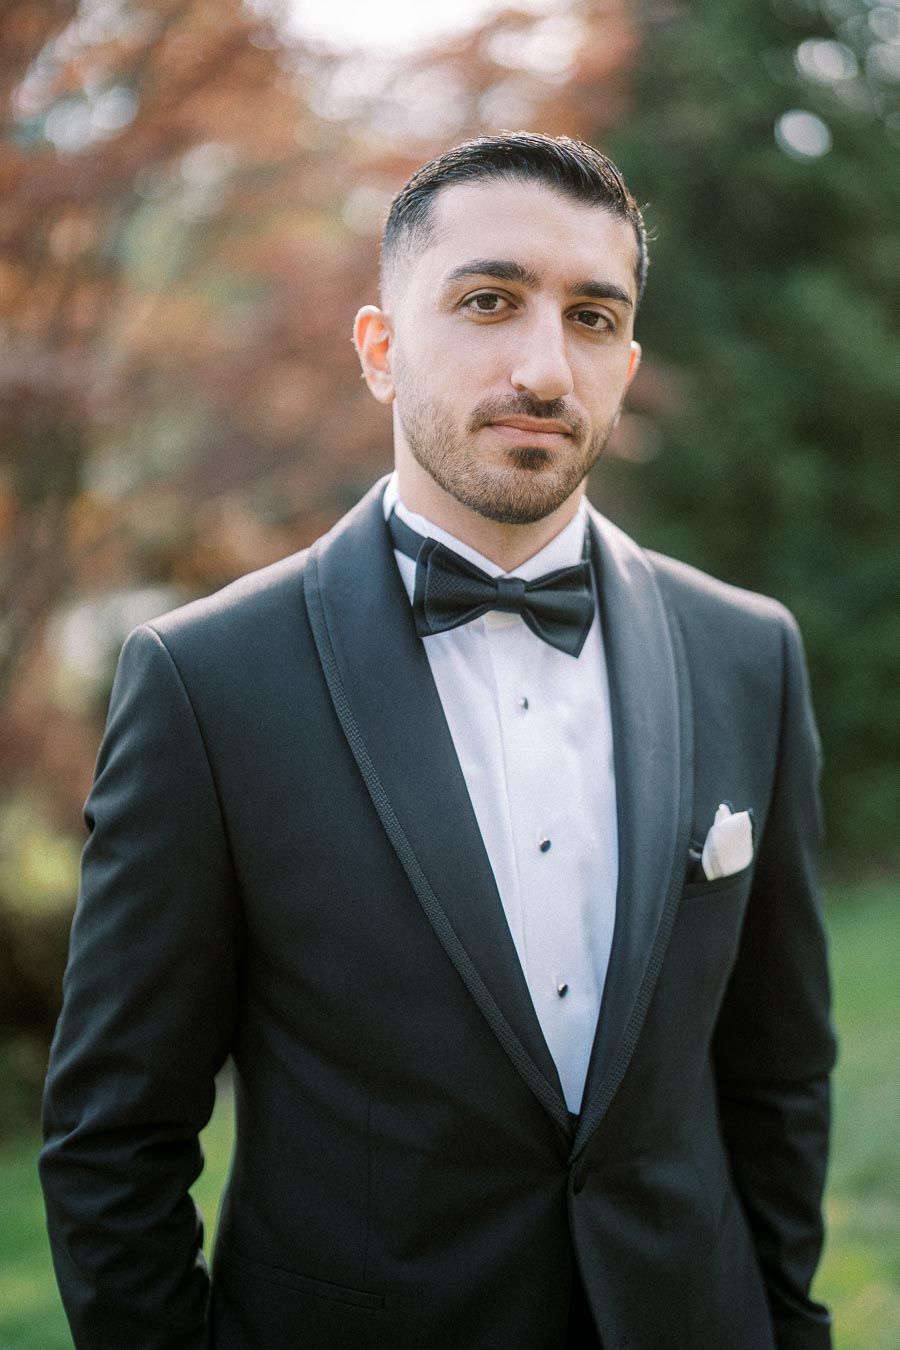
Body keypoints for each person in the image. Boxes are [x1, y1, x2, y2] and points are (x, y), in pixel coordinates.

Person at [40, 132, 836, 1350]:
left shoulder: (749, 654)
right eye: (487, 301)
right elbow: (114, 1138)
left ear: (626, 363)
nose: (542, 367)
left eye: (589, 318)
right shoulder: (205, 684)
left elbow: (777, 1078)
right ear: (379, 348)